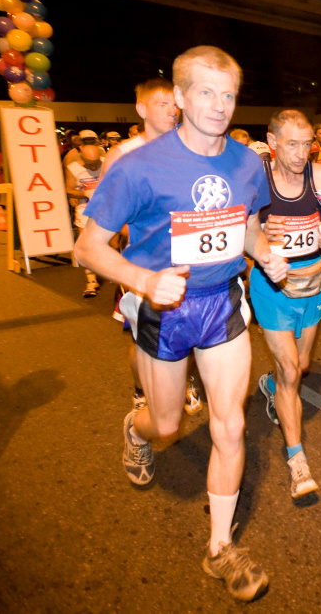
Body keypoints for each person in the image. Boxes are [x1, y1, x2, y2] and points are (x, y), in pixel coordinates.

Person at [75, 46, 287, 601]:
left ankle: (221, 549)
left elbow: (244, 225)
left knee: (230, 426)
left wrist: (265, 254)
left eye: (228, 94)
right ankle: (135, 428)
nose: (219, 106)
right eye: (206, 92)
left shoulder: (248, 163)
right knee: (168, 426)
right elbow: (87, 248)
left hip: (221, 304)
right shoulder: (138, 166)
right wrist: (145, 281)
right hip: (163, 310)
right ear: (179, 96)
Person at [253, 109, 321, 499]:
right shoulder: (257, 180)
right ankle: (297, 461)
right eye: (292, 144)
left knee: (301, 367)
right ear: (272, 142)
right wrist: (261, 232)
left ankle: (271, 385)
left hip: (314, 284)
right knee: (291, 370)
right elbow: (239, 230)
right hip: (273, 288)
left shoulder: (320, 176)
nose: (301, 153)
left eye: (307, 144)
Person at [100, 78, 199, 415]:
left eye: (175, 104)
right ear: (141, 109)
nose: (172, 111)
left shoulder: (189, 148)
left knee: (187, 325)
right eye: (162, 104)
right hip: (141, 263)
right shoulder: (123, 154)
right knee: (142, 335)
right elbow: (106, 214)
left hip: (184, 257)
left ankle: (182, 380)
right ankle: (141, 389)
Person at [65, 144, 104, 297]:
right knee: (86, 244)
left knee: (114, 243)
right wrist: (85, 193)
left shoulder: (108, 161)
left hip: (108, 206)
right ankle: (91, 281)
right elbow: (68, 189)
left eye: (96, 163)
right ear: (82, 159)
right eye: (90, 164)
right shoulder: (73, 168)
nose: (94, 167)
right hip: (85, 208)